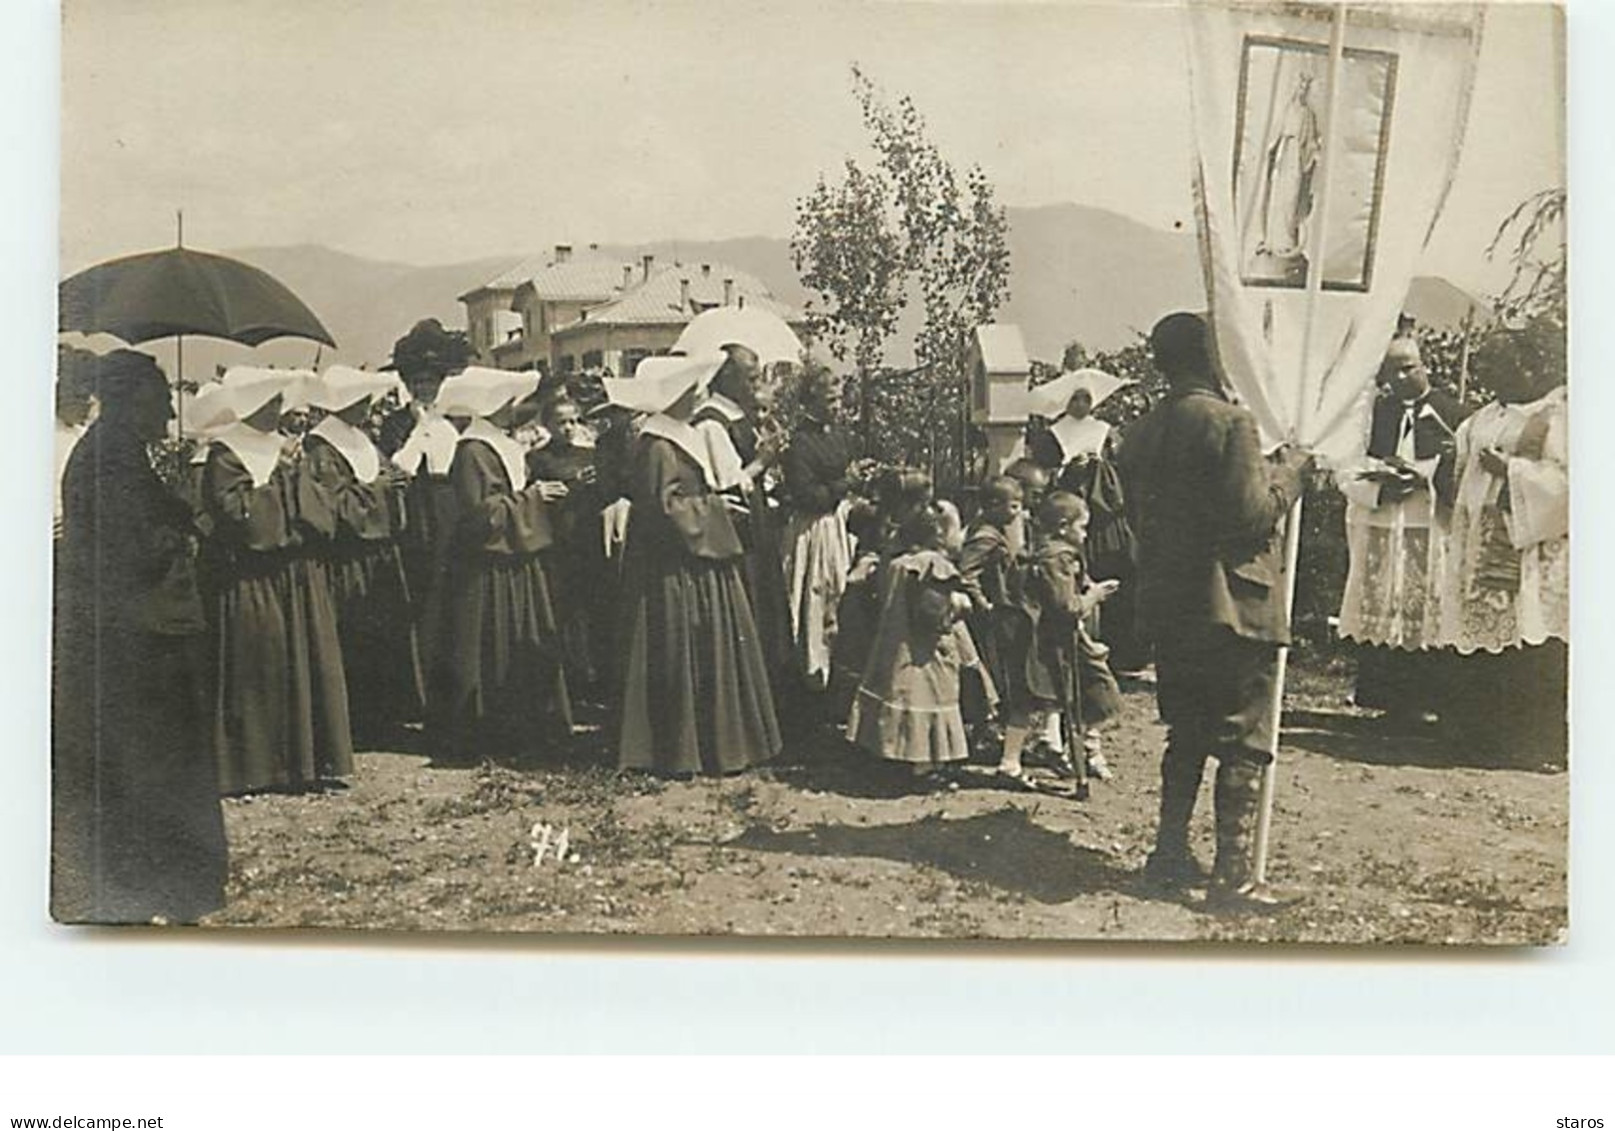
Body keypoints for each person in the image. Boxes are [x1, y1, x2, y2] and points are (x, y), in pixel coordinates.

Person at [1117, 312, 1311, 911]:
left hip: (1171, 604)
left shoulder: (1142, 431)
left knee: (1188, 730)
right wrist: (1290, 476)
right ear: (1213, 356)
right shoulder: (1231, 423)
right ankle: (1233, 877)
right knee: (1243, 735)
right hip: (1232, 602)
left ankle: (1169, 853)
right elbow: (1249, 515)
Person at [52, 350, 228, 923]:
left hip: (146, 630)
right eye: (161, 397)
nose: (171, 409)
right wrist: (190, 528)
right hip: (143, 635)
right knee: (154, 766)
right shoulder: (109, 461)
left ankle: (160, 882)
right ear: (131, 401)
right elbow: (134, 551)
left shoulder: (117, 455)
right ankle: (156, 885)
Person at [616, 358, 781, 776]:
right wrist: (714, 508)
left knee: (705, 651)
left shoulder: (677, 438)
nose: (698, 397)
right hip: (674, 570)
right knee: (681, 651)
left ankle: (711, 743)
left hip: (695, 563)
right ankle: (684, 748)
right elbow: (665, 509)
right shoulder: (658, 445)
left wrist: (709, 506)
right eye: (691, 391)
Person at [200, 367, 354, 795]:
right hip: (254, 576)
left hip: (298, 571)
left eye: (277, 402)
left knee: (303, 659)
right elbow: (238, 517)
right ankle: (259, 765)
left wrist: (293, 478)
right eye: (269, 403)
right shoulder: (226, 453)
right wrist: (275, 480)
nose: (278, 410)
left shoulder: (286, 448)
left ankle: (305, 761)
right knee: (262, 664)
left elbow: (318, 506)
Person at [1435, 331, 1568, 769]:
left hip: (1533, 554)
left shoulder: (1561, 414)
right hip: (1479, 548)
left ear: (1531, 367)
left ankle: (1536, 746)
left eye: (1500, 365)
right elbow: (1457, 471)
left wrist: (1510, 470)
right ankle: (1477, 737)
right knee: (1482, 645)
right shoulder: (1483, 417)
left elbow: (1571, 486)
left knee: (1532, 646)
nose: (1490, 374)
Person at [427, 368, 573, 763]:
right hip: (490, 568)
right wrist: (532, 498)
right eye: (507, 401)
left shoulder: (497, 444)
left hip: (514, 559)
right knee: (491, 643)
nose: (515, 409)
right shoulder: (473, 450)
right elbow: (482, 514)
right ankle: (497, 729)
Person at [1337, 337, 1466, 720]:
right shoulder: (1375, 414)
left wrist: (1424, 477)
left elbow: (1463, 471)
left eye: (1410, 366)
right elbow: (1346, 467)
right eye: (1393, 369)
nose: (1403, 375)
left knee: (1427, 607)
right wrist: (1380, 486)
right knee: (1384, 605)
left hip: (1430, 526)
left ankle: (1428, 702)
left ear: (1425, 366)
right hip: (1383, 523)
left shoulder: (1454, 414)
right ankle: (1387, 701)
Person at [301, 367, 425, 748]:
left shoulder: (360, 439)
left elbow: (382, 473)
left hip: (379, 551)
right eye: (361, 402)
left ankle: (382, 715)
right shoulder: (321, 448)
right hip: (349, 558)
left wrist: (394, 481)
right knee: (357, 634)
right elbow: (333, 505)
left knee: (382, 635)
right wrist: (380, 490)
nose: (369, 409)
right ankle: (359, 720)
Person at [847, 503, 997, 785]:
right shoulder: (933, 566)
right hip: (924, 650)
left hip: (895, 643)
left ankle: (890, 756)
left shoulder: (897, 563)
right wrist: (958, 606)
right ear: (940, 535)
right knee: (929, 697)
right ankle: (925, 768)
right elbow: (931, 613)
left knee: (898, 693)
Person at [1012, 491, 1124, 789]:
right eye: (1082, 527)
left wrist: (1091, 587)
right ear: (1063, 526)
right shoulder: (1056, 557)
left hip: (1071, 640)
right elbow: (1066, 607)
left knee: (1080, 696)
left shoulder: (1057, 554)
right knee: (1097, 692)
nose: (1086, 534)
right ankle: (1082, 752)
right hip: (1060, 642)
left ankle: (1080, 749)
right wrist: (1093, 596)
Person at [692, 343, 791, 671]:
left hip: (757, 526)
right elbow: (729, 486)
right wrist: (762, 461)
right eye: (749, 378)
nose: (754, 385)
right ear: (726, 378)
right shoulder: (711, 424)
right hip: (738, 534)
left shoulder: (738, 418)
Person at [778, 369, 857, 700]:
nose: (836, 406)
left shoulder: (838, 434)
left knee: (837, 598)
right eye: (829, 399)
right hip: (812, 531)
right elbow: (809, 496)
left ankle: (835, 675)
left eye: (838, 399)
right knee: (814, 598)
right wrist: (846, 483)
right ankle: (811, 679)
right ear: (811, 399)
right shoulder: (800, 442)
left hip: (835, 524)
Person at [527, 395, 608, 702]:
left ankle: (595, 676)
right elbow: (542, 497)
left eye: (574, 420)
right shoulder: (539, 459)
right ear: (547, 425)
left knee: (592, 606)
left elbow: (604, 494)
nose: (569, 427)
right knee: (563, 610)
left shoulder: (590, 454)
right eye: (561, 422)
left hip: (587, 538)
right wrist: (573, 482)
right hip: (558, 542)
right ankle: (569, 680)